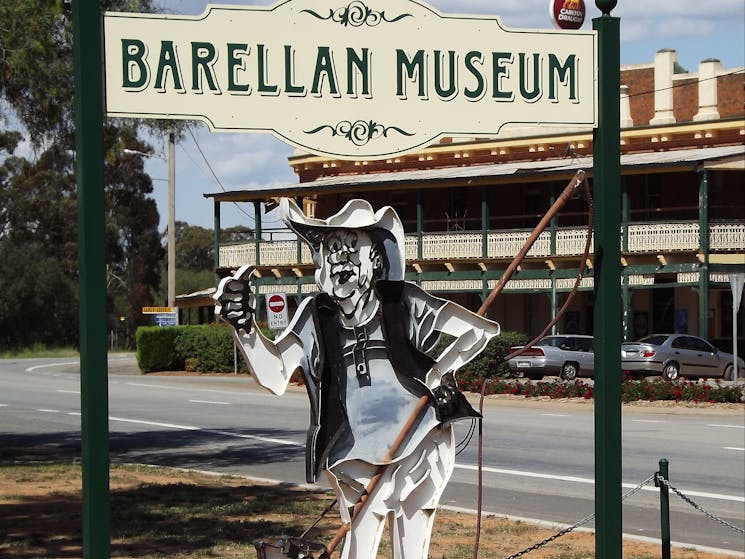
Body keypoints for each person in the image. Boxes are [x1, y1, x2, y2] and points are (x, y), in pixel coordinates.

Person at [215, 198, 500, 559]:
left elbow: (480, 331)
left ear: (376, 259)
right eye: (332, 248)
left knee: (411, 545)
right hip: (355, 458)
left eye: (353, 247)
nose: (341, 258)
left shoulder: (402, 302)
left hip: (420, 445)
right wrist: (245, 328)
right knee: (358, 545)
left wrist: (439, 372)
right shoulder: (315, 315)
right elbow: (274, 376)